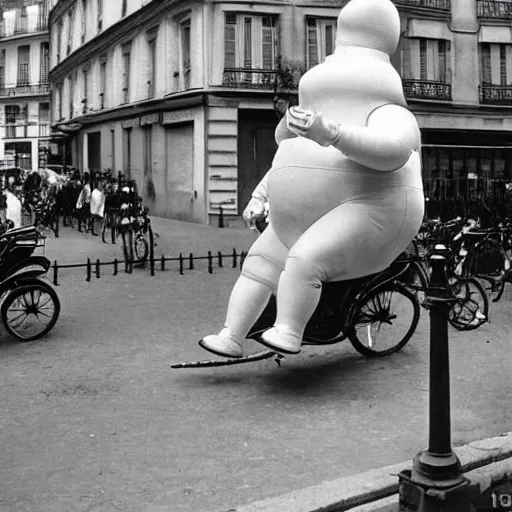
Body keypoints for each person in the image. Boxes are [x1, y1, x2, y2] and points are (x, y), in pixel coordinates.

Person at [199, 0, 425, 359]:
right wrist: (260, 196)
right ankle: (231, 334)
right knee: (259, 264)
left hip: (373, 208)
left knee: (306, 259)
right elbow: (283, 155)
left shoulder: (390, 109)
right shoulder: (315, 105)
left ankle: (289, 329)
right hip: (300, 217)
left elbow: (393, 150)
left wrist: (333, 133)